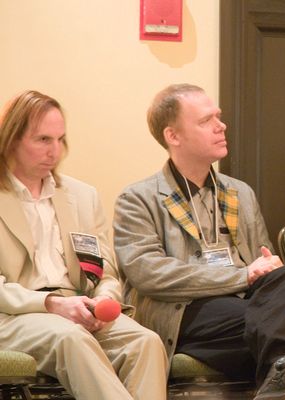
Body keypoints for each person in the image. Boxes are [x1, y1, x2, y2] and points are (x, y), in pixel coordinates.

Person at [112, 83, 285, 400]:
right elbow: (148, 273)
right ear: (173, 136)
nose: (221, 125)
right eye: (206, 121)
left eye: (219, 116)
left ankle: (283, 370)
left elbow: (262, 261)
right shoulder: (138, 198)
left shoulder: (239, 192)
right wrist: (242, 276)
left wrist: (267, 270)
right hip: (183, 312)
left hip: (241, 309)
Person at [0, 90, 168, 400]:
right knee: (72, 338)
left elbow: (105, 273)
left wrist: (101, 301)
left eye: (60, 140)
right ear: (11, 140)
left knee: (146, 342)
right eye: (43, 140)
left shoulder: (82, 196)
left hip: (79, 307)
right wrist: (51, 304)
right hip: (14, 316)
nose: (55, 151)